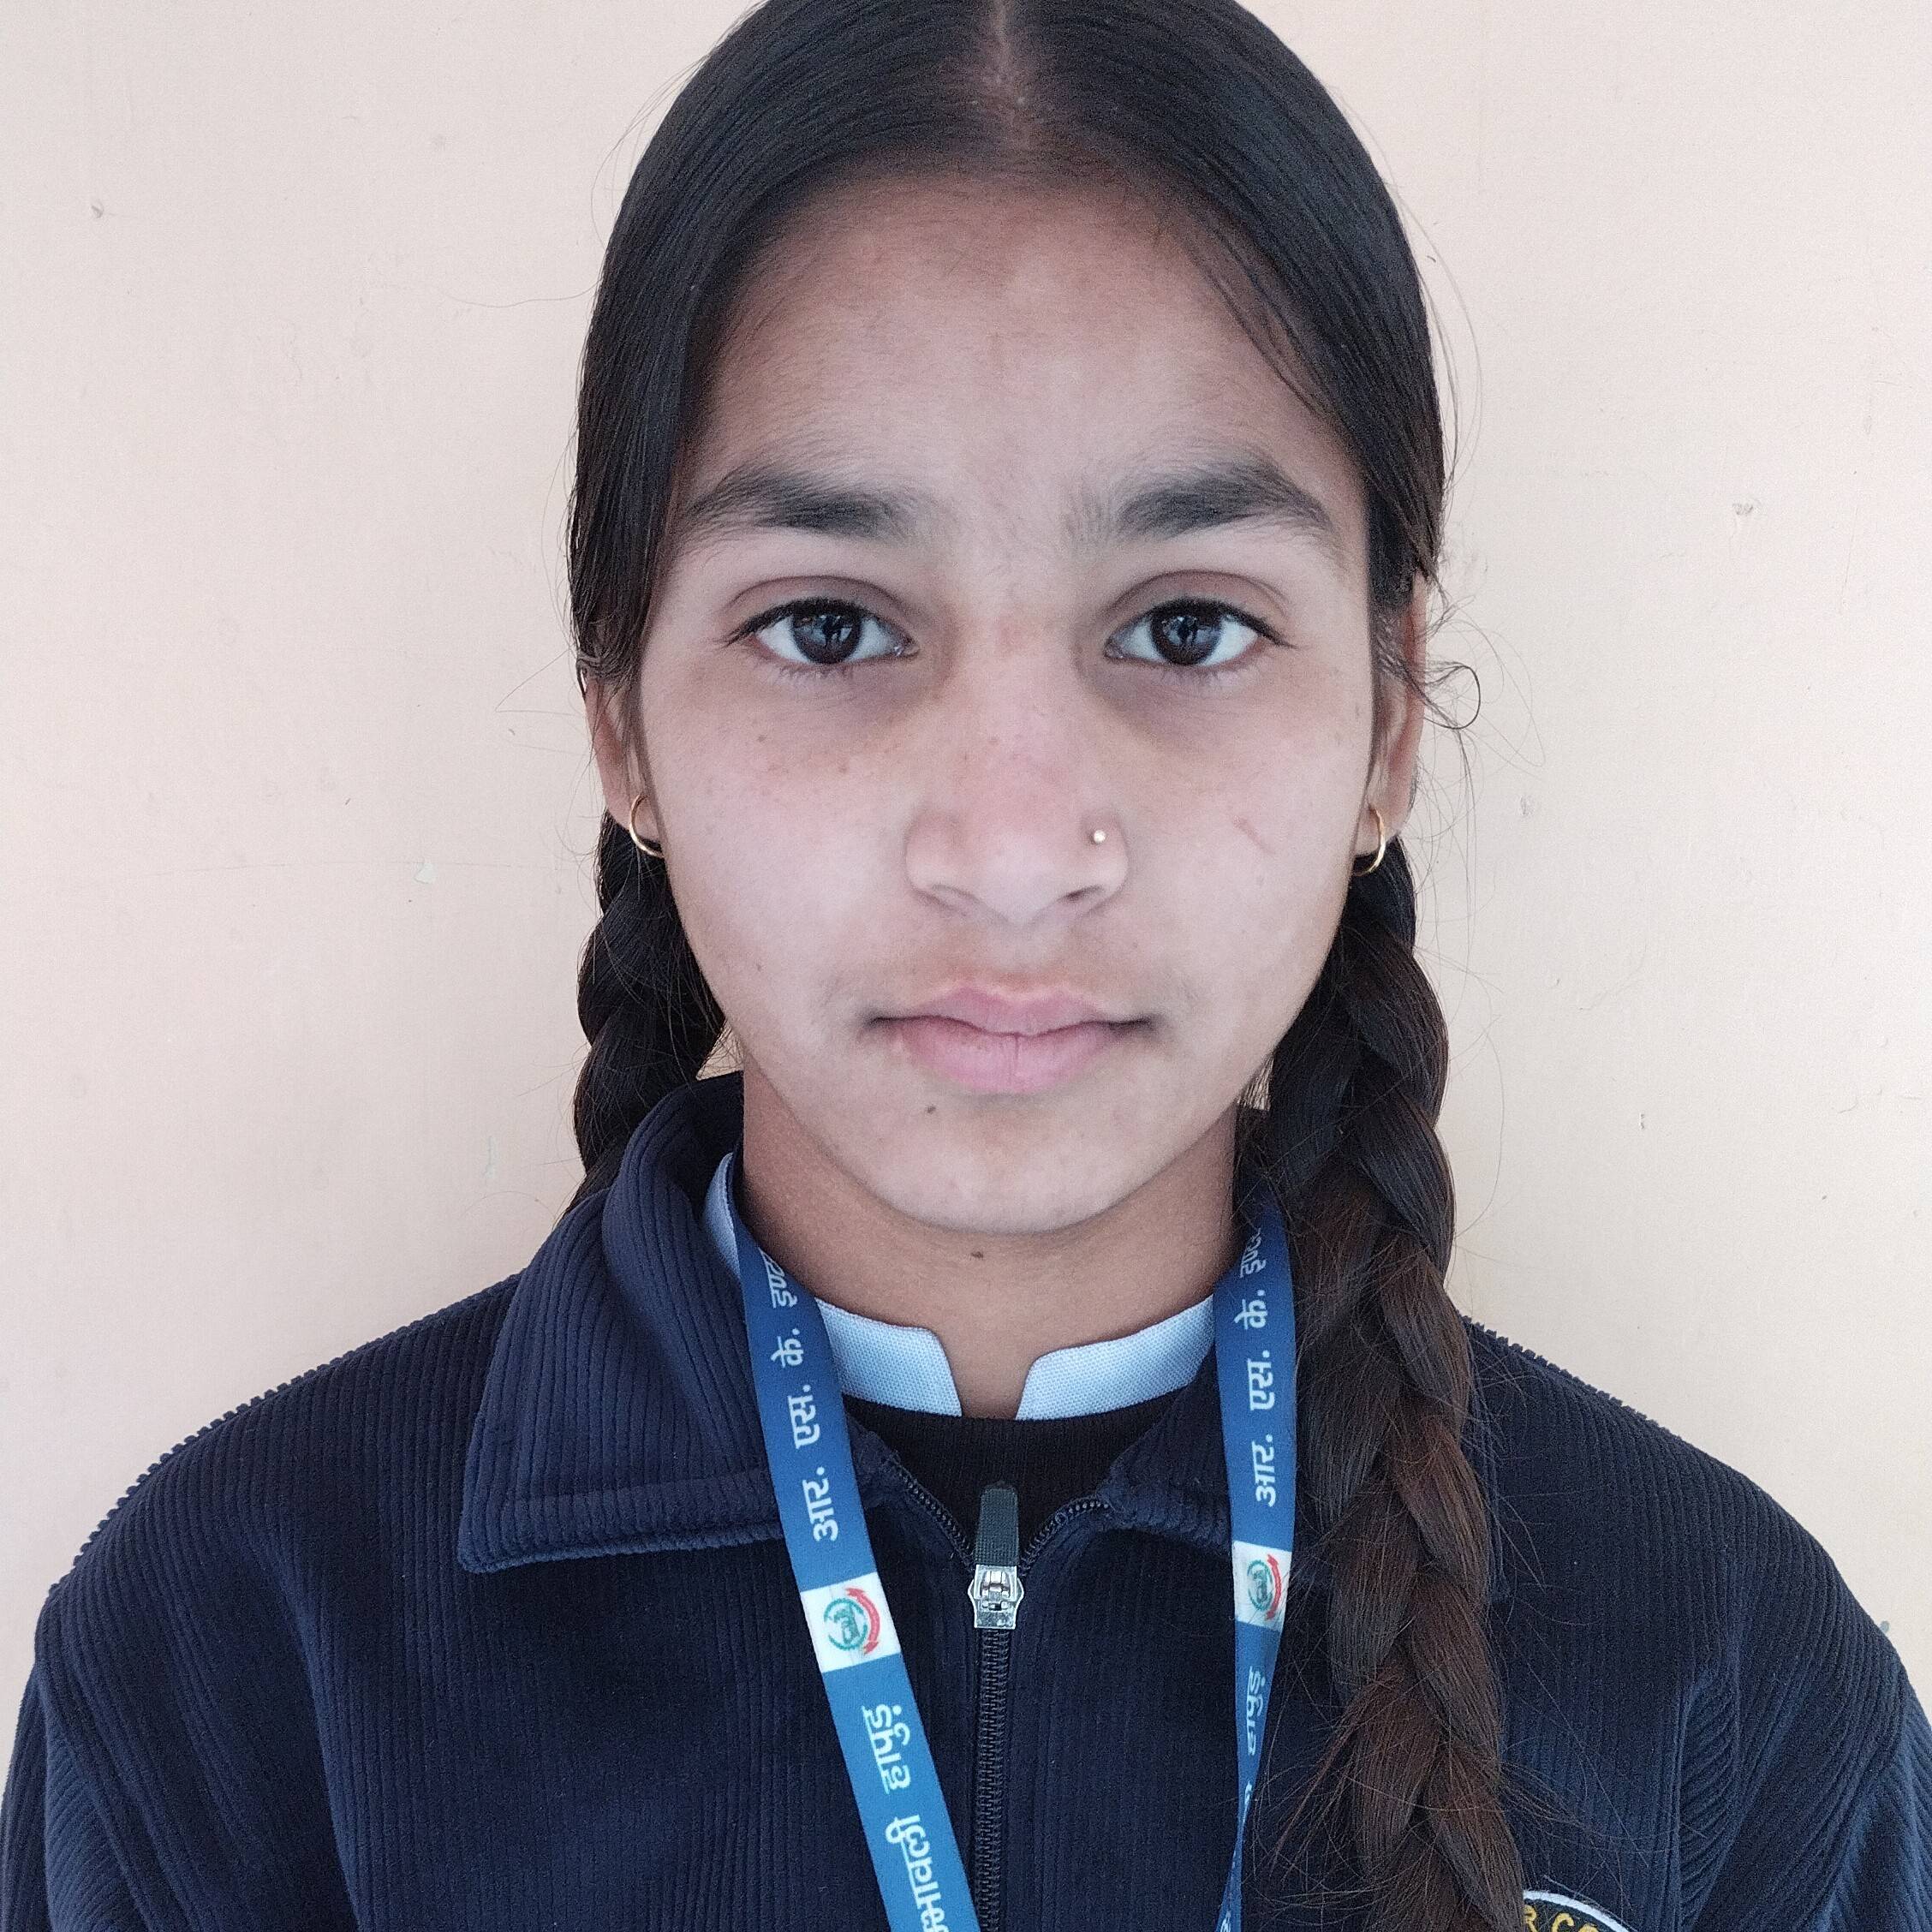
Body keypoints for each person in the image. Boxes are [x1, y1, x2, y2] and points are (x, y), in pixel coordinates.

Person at [4, 1, 1927, 1927]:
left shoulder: (1729, 1688)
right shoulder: (229, 1664)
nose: (1013, 855)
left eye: (1186, 628)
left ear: (1390, 717)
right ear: (619, 718)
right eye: (832, 628)